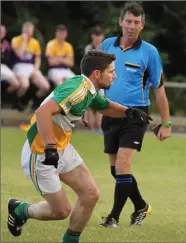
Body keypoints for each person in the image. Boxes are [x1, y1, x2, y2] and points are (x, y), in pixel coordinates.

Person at [7, 50, 152, 243]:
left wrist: (129, 112)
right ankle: (19, 209)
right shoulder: (78, 89)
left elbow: (104, 106)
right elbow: (43, 112)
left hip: (61, 149)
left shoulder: (90, 89)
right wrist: (50, 146)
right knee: (61, 211)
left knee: (91, 194)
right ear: (96, 73)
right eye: (111, 71)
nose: (115, 75)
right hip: (40, 152)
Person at [98, 2, 171, 228]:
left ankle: (113, 218)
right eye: (128, 21)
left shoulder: (150, 52)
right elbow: (95, 78)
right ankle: (140, 206)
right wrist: (88, 104)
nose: (131, 26)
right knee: (116, 170)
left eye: (136, 22)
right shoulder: (107, 45)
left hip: (136, 115)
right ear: (121, 22)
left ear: (142, 25)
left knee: (122, 167)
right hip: (109, 111)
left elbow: (159, 89)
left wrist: (166, 122)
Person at [11, 21, 50, 111]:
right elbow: (20, 54)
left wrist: (35, 70)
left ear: (32, 31)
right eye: (26, 30)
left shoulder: (35, 42)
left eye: (29, 31)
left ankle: (34, 102)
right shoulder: (16, 40)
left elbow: (37, 59)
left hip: (31, 66)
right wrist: (24, 41)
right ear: (22, 30)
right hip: (19, 65)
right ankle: (17, 102)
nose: (28, 33)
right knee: (24, 85)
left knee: (45, 86)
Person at [83, 26, 105, 134]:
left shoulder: (104, 47)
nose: (97, 37)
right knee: (90, 107)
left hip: (101, 80)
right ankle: (92, 131)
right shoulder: (88, 48)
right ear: (92, 36)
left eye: (99, 35)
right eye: (95, 35)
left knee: (100, 106)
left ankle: (99, 130)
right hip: (90, 80)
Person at [1, 24, 20, 95]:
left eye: (3, 32)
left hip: (3, 67)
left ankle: (3, 97)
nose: (1, 33)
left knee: (16, 84)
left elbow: (7, 59)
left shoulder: (6, 44)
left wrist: (3, 52)